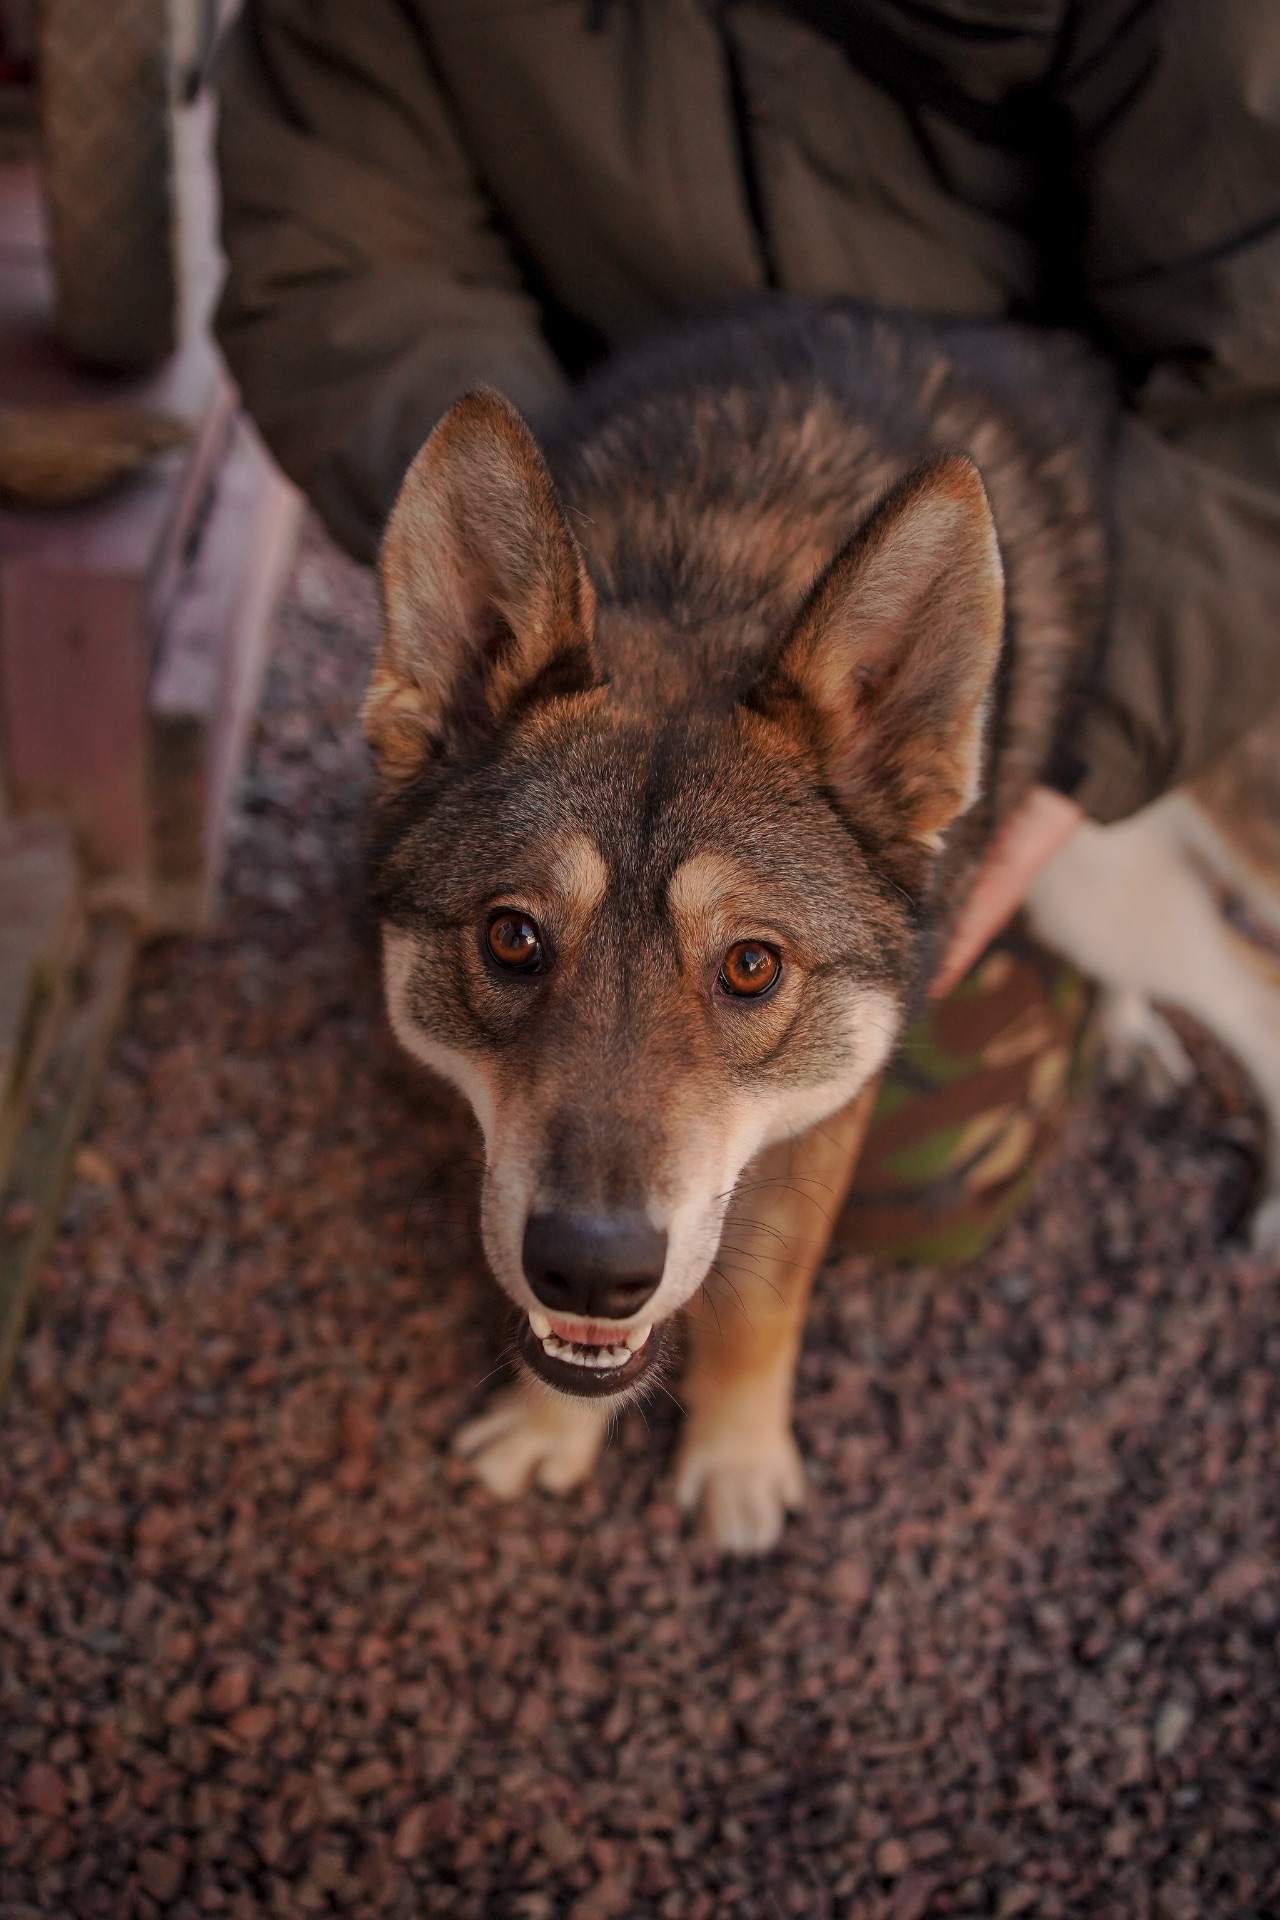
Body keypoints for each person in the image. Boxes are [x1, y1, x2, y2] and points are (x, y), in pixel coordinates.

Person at [214, 0, 1280, 1254]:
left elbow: (1256, 330)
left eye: (749, 969)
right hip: (627, 480)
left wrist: (1078, 772)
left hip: (1119, 521)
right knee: (438, 944)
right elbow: (341, 265)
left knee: (927, 1142)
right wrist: (546, 580)